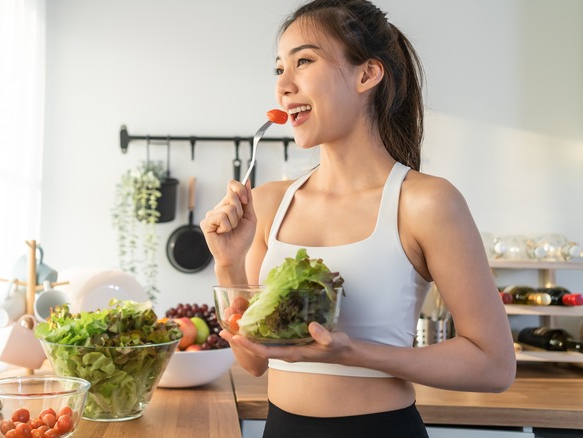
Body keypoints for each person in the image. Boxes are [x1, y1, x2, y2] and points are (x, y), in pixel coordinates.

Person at [200, 1, 516, 436]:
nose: (283, 87)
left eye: (304, 61)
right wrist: (228, 263)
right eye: (279, 70)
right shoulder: (270, 203)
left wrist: (352, 353)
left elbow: (494, 365)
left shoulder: (425, 202)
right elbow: (254, 361)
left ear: (367, 74)